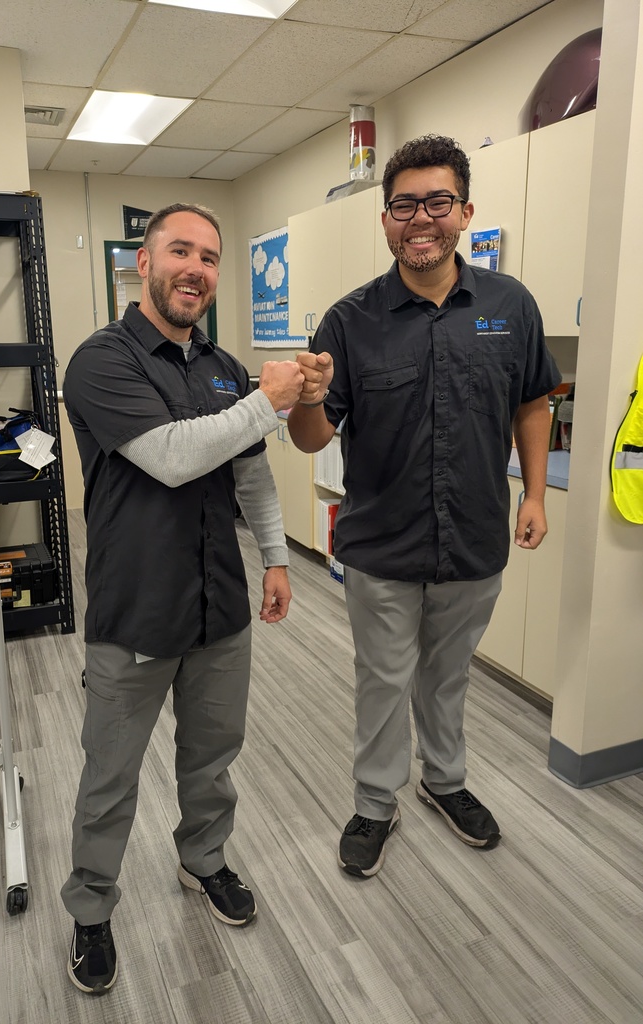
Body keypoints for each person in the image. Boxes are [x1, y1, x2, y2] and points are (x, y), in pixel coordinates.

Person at [288, 135, 560, 878]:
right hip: (381, 542)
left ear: (463, 212)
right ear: (384, 220)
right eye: (403, 204)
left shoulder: (510, 306)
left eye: (437, 202)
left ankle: (444, 783)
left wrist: (534, 493)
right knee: (381, 680)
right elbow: (313, 438)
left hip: (473, 539)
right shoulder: (349, 322)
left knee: (446, 677)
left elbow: (532, 402)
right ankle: (375, 803)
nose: (420, 218)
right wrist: (306, 401)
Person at [61, 202, 307, 995]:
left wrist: (273, 557)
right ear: (144, 262)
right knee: (111, 776)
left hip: (218, 610)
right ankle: (92, 908)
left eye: (208, 256)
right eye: (179, 251)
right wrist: (267, 403)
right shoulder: (101, 361)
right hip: (135, 613)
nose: (195, 268)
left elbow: (249, 473)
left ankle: (204, 861)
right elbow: (170, 457)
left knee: (212, 759)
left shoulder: (224, 368)